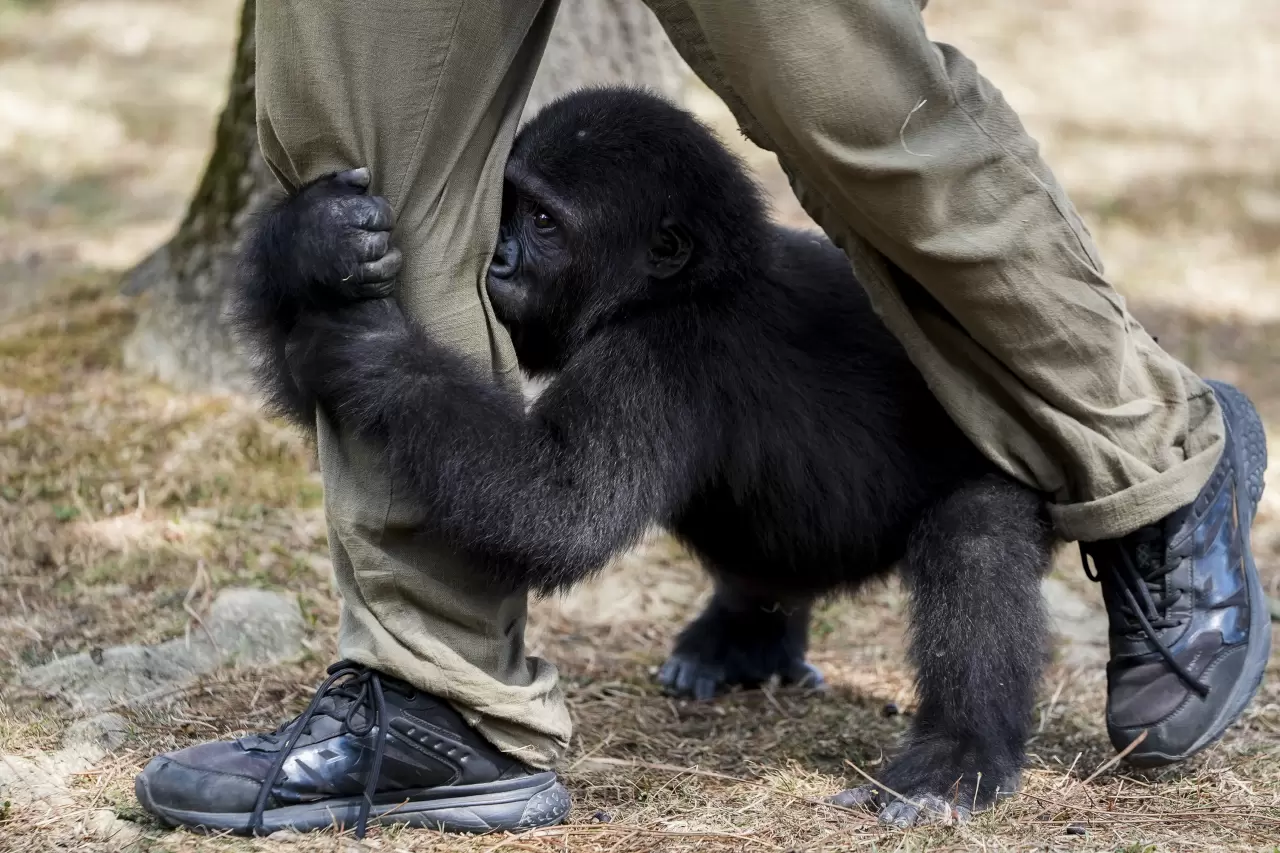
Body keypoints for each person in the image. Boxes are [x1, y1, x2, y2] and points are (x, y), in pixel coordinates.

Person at [133, 0, 1269, 837]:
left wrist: (384, 365)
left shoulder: (662, 352)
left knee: (845, 90)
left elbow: (555, 520)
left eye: (541, 229)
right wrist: (296, 267)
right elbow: (342, 377)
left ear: (663, 255)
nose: (502, 256)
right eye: (508, 212)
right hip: (794, 503)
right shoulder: (664, 308)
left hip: (933, 491)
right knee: (373, 175)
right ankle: (444, 692)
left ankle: (1029, 648)